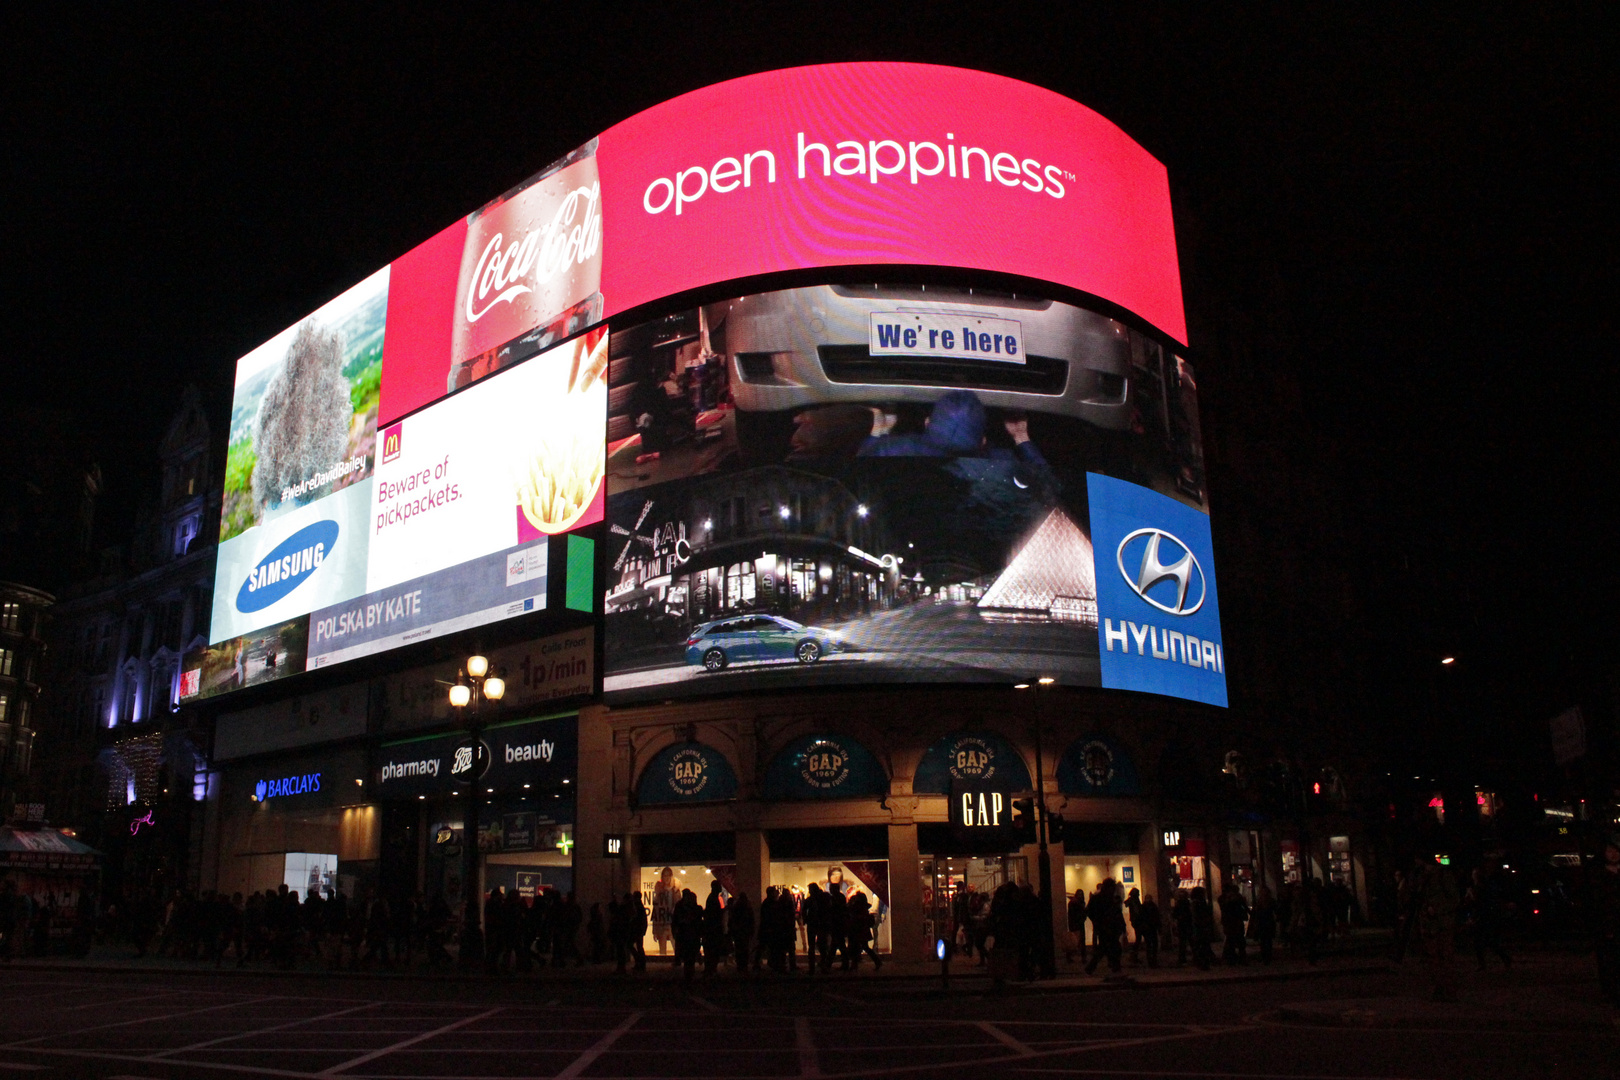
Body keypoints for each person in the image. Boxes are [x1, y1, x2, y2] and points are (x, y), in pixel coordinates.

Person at [1413, 859, 1460, 1002]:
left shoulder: (1442, 875)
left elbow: (1455, 899)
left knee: (1445, 959)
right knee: (1432, 960)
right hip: (1429, 926)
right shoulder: (1421, 877)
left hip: (1441, 925)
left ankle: (1448, 991)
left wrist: (1437, 909)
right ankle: (1438, 989)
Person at [1468, 866, 1512, 970]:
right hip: (1483, 916)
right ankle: (1485, 963)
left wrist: (1471, 895)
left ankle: (1503, 958)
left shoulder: (1482, 888)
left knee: (1487, 941)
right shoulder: (1480, 887)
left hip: (1485, 917)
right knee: (1482, 942)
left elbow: (1481, 902)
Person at [1593, 835, 1620, 1003]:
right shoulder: (1599, 874)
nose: (1613, 854)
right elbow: (1598, 902)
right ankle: (1612, 992)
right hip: (1608, 925)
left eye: (1616, 851)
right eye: (1610, 851)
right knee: (1610, 961)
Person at [671, 888, 702, 982]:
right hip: (688, 935)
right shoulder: (693, 907)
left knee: (688, 956)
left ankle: (687, 972)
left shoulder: (684, 906)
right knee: (689, 956)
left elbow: (676, 920)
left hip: (686, 934)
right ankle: (689, 973)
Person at [847, 889, 882, 970]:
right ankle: (876, 961)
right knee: (864, 946)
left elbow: (850, 910)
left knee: (857, 947)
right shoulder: (864, 908)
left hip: (857, 929)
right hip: (863, 929)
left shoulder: (857, 908)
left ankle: (855, 964)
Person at [701, 880, 728, 976]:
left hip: (712, 929)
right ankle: (711, 968)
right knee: (713, 950)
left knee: (712, 950)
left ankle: (711, 968)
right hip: (713, 929)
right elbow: (714, 914)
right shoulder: (713, 899)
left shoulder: (713, 898)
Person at [804, 882, 830, 976]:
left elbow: (804, 910)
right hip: (820, 924)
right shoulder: (823, 897)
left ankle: (814, 968)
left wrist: (805, 919)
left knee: (816, 946)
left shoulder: (811, 900)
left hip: (816, 924)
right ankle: (822, 966)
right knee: (822, 946)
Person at [1219, 883, 1249, 965]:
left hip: (1233, 921)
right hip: (1232, 921)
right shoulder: (1227, 898)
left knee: (1235, 939)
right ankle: (1233, 957)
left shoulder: (1233, 898)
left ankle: (1235, 957)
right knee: (1233, 939)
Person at [651, 867, 677, 956]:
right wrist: (654, 930)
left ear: (671, 876)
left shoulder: (675, 891)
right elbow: (656, 911)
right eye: (664, 875)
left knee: (676, 949)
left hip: (672, 924)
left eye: (668, 875)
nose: (666, 878)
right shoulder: (659, 892)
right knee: (662, 952)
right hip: (662, 924)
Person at [727, 890, 754, 973]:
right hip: (744, 931)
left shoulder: (736, 907)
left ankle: (740, 965)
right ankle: (744, 965)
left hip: (738, 931)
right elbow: (751, 920)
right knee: (745, 949)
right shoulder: (748, 908)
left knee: (739, 949)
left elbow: (732, 920)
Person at [1189, 886, 1216, 970]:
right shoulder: (1199, 903)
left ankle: (1203, 962)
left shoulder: (1195, 903)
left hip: (1198, 926)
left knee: (1201, 945)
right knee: (1202, 945)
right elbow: (1200, 915)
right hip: (1200, 926)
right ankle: (1203, 962)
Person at [1250, 886, 1277, 964]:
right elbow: (1255, 913)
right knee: (1263, 940)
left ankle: (1267, 956)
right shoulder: (1259, 902)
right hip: (1262, 922)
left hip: (1267, 922)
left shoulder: (1270, 902)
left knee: (1267, 940)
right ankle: (1265, 956)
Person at [1137, 893, 1161, 968]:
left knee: (1152, 945)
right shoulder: (1146, 907)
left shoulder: (1149, 907)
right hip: (1149, 928)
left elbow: (1157, 917)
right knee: (1150, 945)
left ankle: (1152, 960)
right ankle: (1151, 960)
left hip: (1151, 928)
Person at [1066, 888, 1087, 965]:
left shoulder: (1073, 903)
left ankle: (1071, 956)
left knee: (1076, 941)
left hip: (1076, 924)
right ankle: (1082, 957)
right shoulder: (1077, 903)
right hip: (1078, 924)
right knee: (1078, 941)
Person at [1171, 889, 1192, 966]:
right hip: (1185, 925)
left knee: (1183, 943)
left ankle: (1182, 959)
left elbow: (1175, 914)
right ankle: (1184, 958)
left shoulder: (1181, 904)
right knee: (1187, 942)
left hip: (1183, 925)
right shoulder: (1187, 904)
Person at [1125, 887, 1143, 963]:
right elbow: (1137, 911)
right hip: (1137, 920)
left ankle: (1134, 955)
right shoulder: (1134, 900)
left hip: (1135, 920)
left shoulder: (1132, 900)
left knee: (1138, 938)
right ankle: (1133, 955)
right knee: (1138, 938)